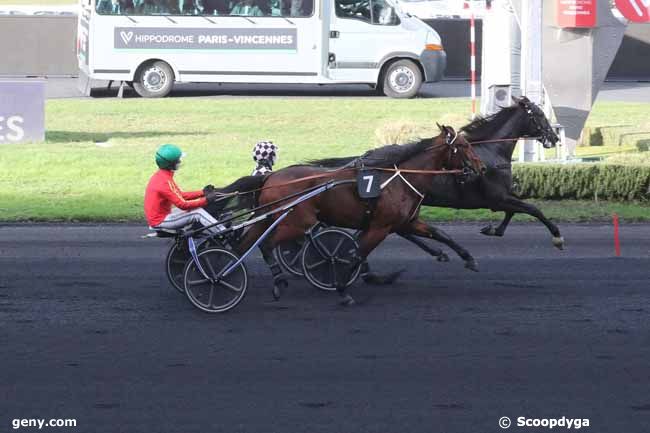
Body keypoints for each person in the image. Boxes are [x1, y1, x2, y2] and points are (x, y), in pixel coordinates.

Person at [144, 144, 223, 235]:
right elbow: (182, 204)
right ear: (170, 164)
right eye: (177, 160)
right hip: (160, 221)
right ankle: (223, 232)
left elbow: (180, 195)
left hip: (162, 215)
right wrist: (206, 200)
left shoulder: (162, 176)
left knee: (196, 207)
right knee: (197, 213)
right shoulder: (164, 182)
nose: (180, 161)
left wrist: (202, 192)